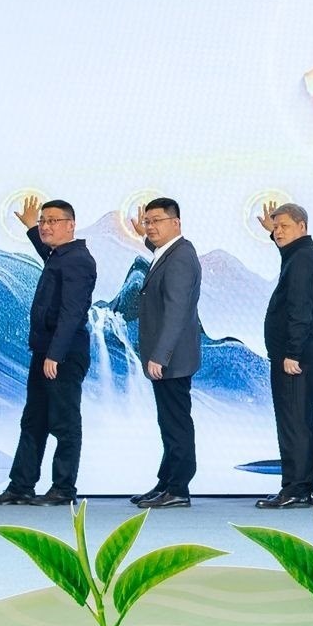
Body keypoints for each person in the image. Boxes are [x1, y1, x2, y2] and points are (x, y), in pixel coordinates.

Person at [0, 197, 97, 507]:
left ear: (71, 225)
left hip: (63, 355)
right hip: (45, 351)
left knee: (64, 422)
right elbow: (47, 251)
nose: (45, 226)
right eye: (43, 221)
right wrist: (30, 228)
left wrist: (55, 355)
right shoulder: (60, 255)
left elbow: (72, 312)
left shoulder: (79, 260)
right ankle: (21, 486)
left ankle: (63, 488)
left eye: (53, 221)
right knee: (33, 420)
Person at [128, 197, 202, 508]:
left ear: (176, 223)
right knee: (169, 422)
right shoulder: (171, 252)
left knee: (176, 423)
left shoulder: (181, 257)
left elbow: (176, 310)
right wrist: (143, 236)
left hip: (173, 358)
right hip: (172, 356)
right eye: (147, 222)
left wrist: (160, 355)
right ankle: (167, 482)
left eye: (157, 221)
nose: (150, 227)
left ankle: (178, 488)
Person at [255, 202, 313, 509]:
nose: (278, 232)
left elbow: (301, 310)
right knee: (300, 421)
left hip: (295, 358)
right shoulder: (300, 255)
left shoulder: (301, 261)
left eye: (284, 226)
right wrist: (271, 234)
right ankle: (302, 487)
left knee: (294, 423)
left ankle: (296, 487)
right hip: (299, 354)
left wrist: (292, 352)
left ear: (302, 226)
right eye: (275, 227)